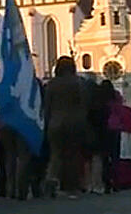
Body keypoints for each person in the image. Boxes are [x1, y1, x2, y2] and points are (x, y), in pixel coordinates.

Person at [43, 56, 89, 200]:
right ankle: (71, 186)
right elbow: (84, 104)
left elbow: (47, 106)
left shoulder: (51, 84)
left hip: (55, 123)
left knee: (55, 154)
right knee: (73, 155)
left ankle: (51, 179)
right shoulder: (79, 83)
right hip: (75, 122)